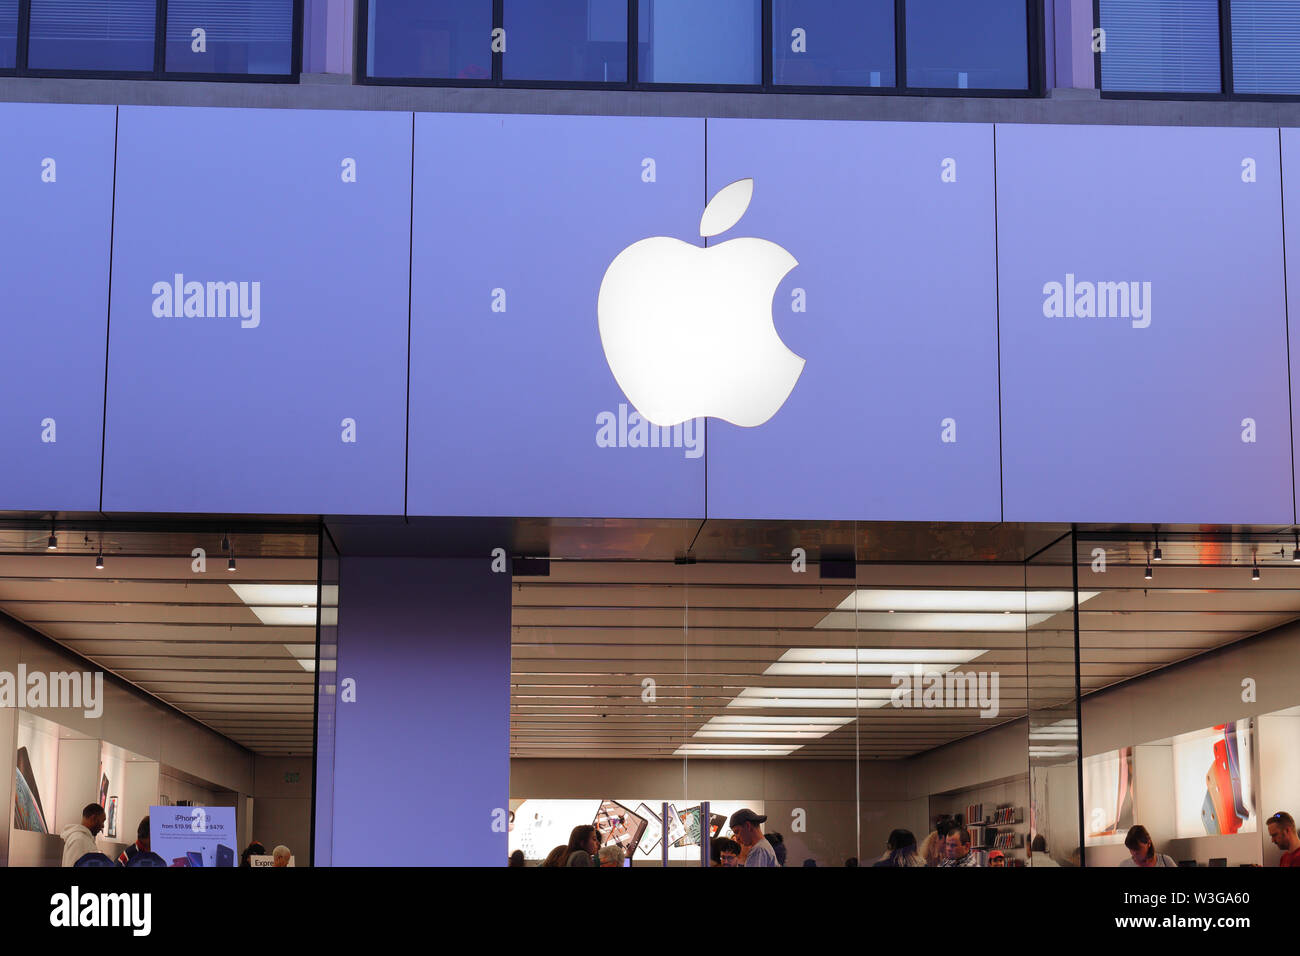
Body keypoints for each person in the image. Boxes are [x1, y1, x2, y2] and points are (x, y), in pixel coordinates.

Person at [61, 803, 106, 867]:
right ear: (93, 818)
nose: (103, 826)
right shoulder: (79, 840)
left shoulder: (85, 839)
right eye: (102, 821)